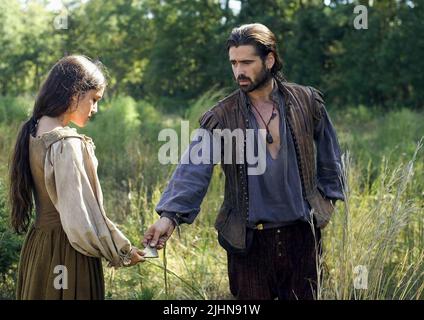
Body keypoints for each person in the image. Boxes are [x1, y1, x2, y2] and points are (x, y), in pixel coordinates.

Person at [143, 23, 345, 300]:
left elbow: (330, 155)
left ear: (269, 60)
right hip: (248, 243)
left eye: (247, 62)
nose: (239, 70)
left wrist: (327, 202)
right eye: (234, 63)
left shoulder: (306, 101)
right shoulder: (222, 116)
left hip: (303, 239)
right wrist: (170, 217)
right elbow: (193, 169)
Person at [9, 55, 145, 300]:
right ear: (74, 93)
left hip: (39, 249)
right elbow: (80, 221)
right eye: (94, 99)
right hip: (68, 253)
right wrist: (122, 251)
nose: (95, 109)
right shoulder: (66, 144)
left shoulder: (33, 130)